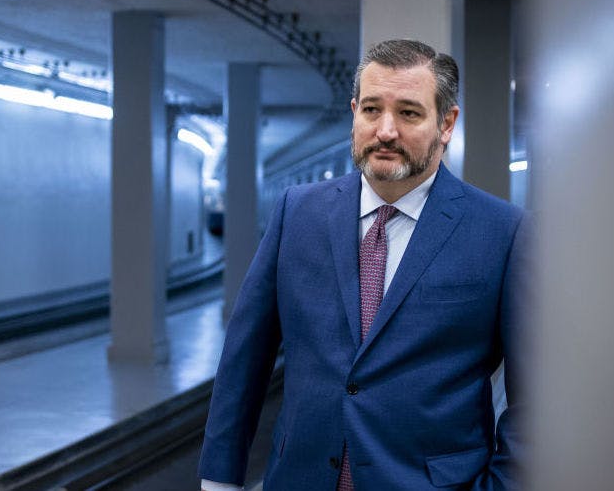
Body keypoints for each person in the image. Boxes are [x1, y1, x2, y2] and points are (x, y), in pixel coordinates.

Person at [198, 39, 528, 490]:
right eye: (372, 110)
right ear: (354, 112)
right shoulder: (298, 212)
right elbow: (244, 359)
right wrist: (219, 480)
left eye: (409, 113)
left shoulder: (501, 233)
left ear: (446, 124)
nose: (385, 130)